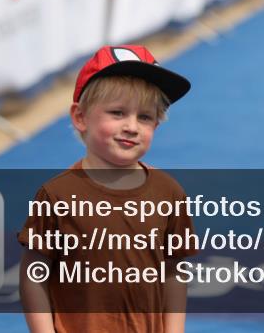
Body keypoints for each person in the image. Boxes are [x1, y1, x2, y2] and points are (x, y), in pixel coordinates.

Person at [18, 45, 195, 333]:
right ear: (80, 117)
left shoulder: (169, 192)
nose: (132, 126)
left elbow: (174, 271)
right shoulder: (57, 195)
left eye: (145, 117)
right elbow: (34, 275)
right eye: (117, 112)